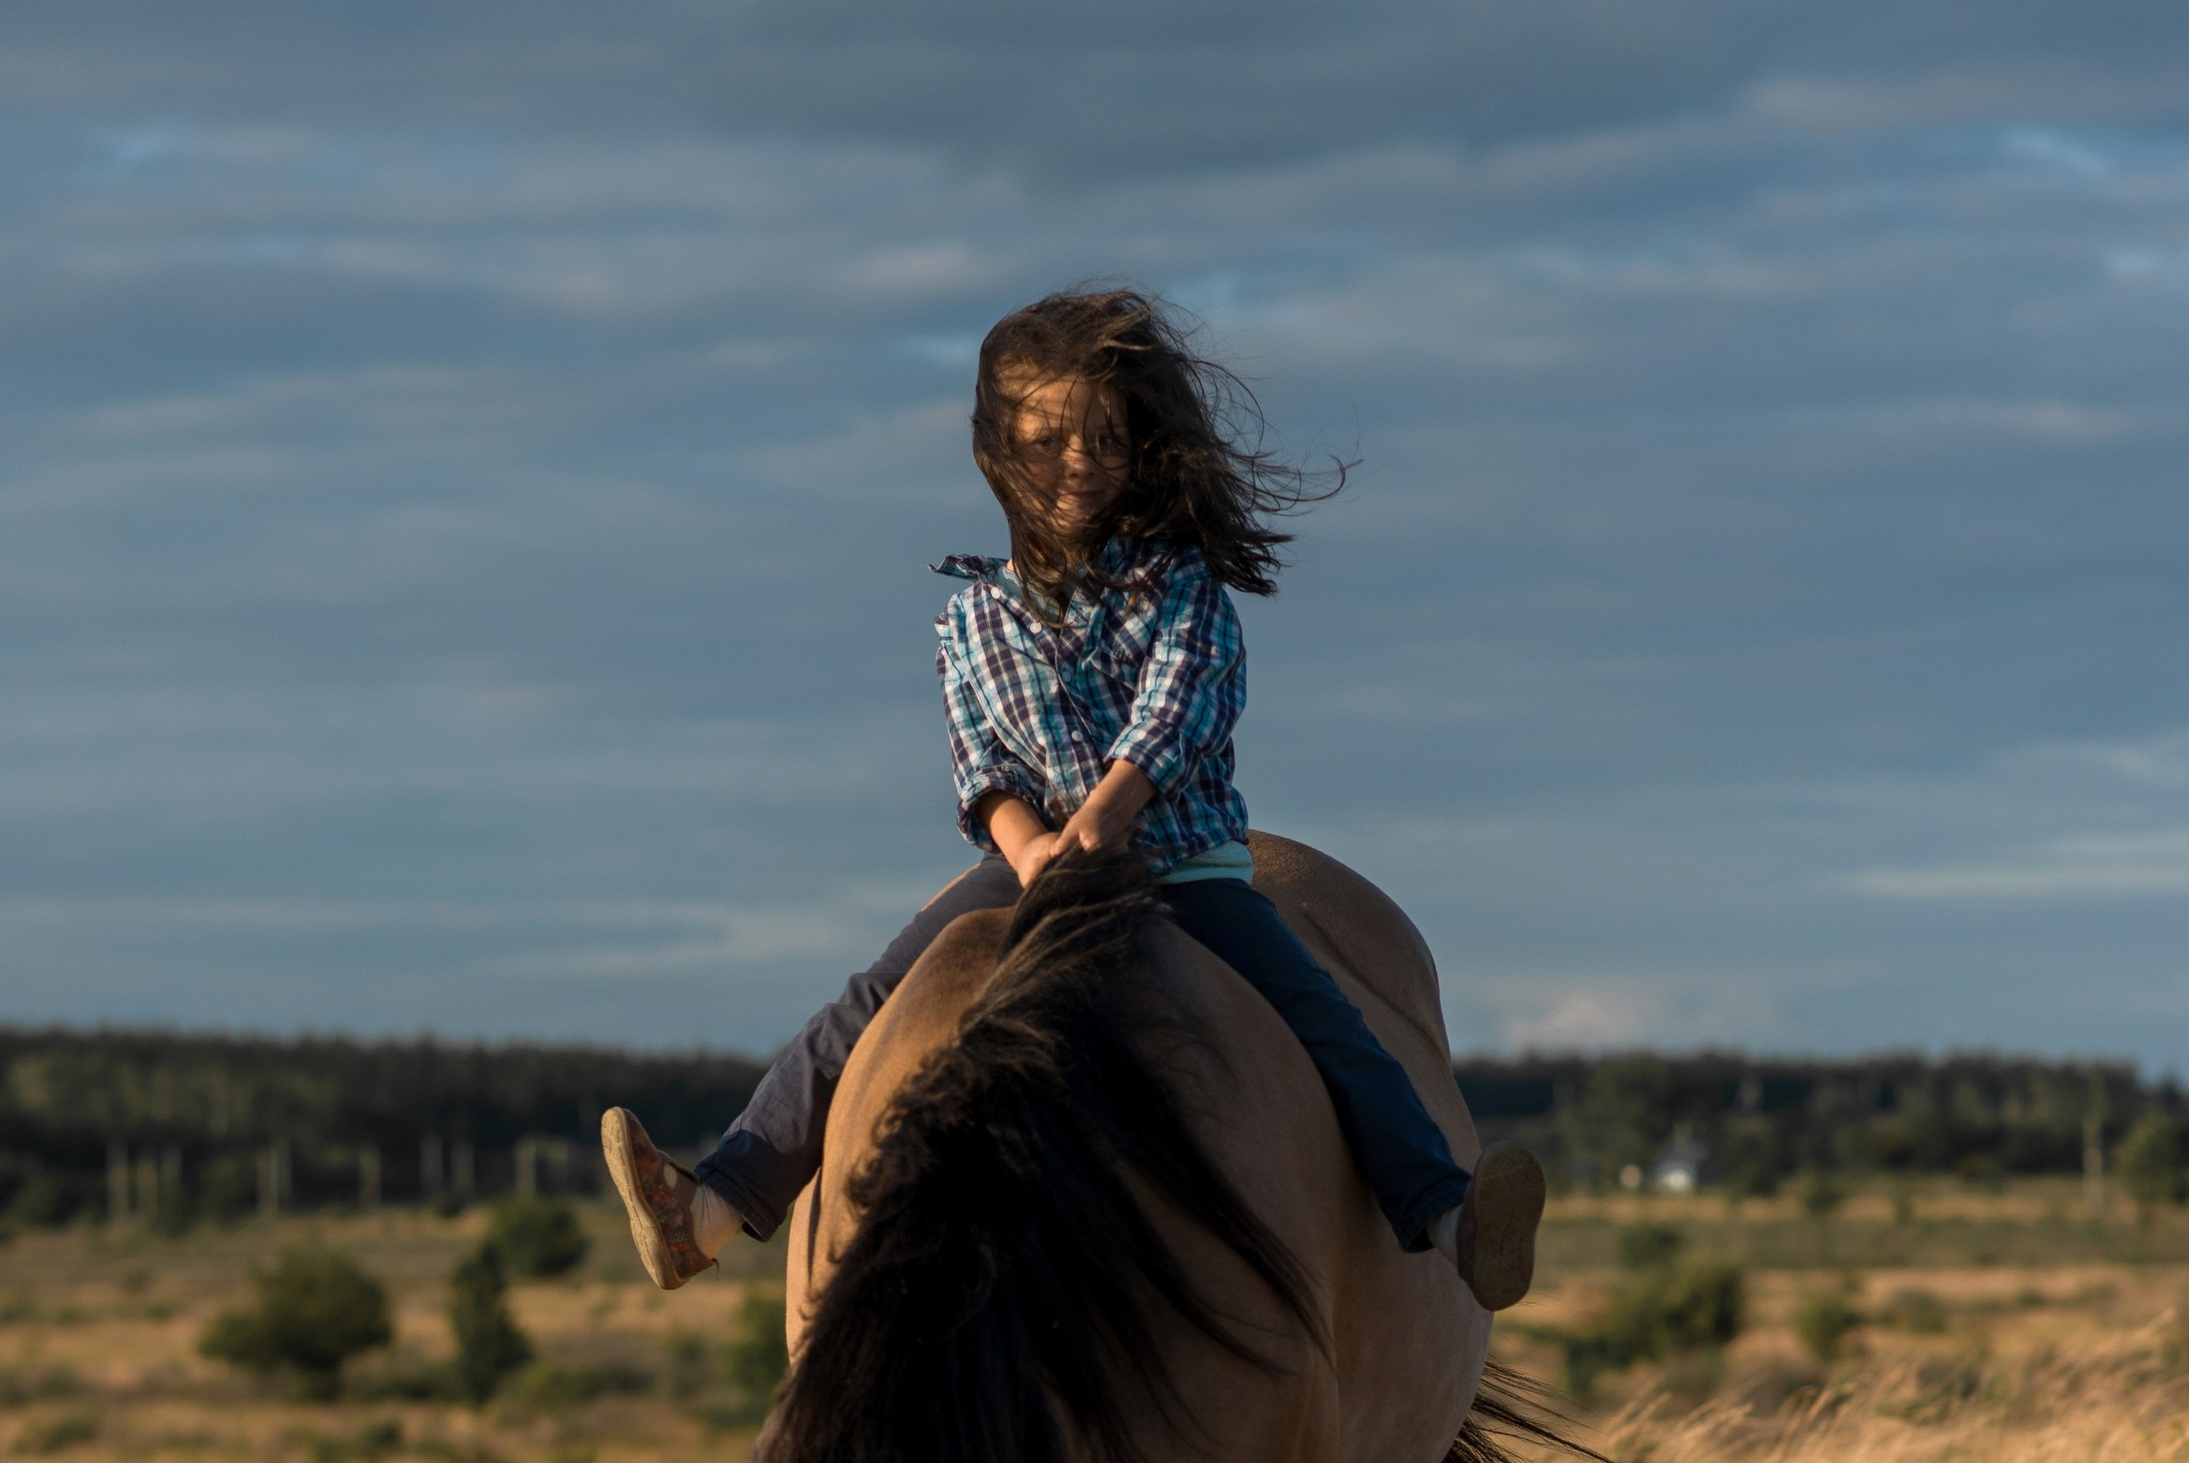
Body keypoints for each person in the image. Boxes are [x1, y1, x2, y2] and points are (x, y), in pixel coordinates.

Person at [601, 289, 1545, 1310]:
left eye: (1104, 435)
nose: (1079, 459)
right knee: (867, 1006)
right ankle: (710, 1212)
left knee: (1318, 1016)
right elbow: (980, 766)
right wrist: (1028, 847)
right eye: (1048, 438)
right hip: (1024, 872)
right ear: (997, 447)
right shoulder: (967, 616)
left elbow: (1172, 719)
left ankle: (1446, 1216)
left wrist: (1093, 833)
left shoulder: (1179, 585)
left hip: (1176, 869)